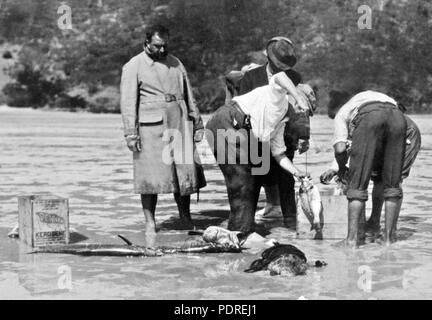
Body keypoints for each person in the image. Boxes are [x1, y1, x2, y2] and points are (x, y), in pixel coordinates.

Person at [120, 24, 206, 234]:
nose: (161, 50)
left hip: (179, 122)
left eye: (164, 45)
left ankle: (185, 217)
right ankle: (150, 222)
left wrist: (197, 122)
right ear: (146, 43)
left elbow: (189, 94)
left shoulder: (176, 63)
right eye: (157, 46)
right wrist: (131, 134)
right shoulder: (133, 66)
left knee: (184, 172)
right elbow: (128, 102)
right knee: (149, 176)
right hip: (151, 128)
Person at [205, 70, 314, 234]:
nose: (301, 112)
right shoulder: (277, 96)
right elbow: (280, 76)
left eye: (304, 112)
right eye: (300, 108)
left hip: (241, 130)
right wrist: (298, 97)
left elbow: (279, 154)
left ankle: (242, 228)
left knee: (247, 181)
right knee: (242, 181)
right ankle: (240, 232)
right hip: (227, 121)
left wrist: (296, 172)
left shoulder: (283, 119)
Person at [321, 96, 421, 241]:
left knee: (391, 181)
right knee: (380, 178)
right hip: (393, 125)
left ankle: (356, 239)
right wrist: (334, 168)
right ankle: (381, 231)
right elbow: (351, 146)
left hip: (407, 132)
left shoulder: (344, 114)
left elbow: (341, 148)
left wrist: (342, 169)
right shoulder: (365, 102)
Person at [236, 37, 314, 225]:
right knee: (254, 180)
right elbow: (241, 107)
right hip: (255, 134)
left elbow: (299, 109)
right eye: (278, 65)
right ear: (268, 59)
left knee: (286, 179)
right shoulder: (251, 76)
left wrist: (304, 136)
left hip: (283, 133)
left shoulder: (294, 77)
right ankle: (247, 223)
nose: (281, 70)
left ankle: (290, 222)